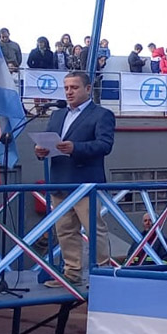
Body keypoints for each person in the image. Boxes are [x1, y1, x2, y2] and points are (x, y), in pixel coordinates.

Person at [34, 72, 115, 286]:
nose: (69, 92)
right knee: (65, 230)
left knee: (94, 229)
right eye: (66, 87)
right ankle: (72, 274)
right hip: (60, 181)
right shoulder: (57, 115)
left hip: (85, 183)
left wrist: (75, 148)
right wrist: (40, 151)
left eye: (74, 87)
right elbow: (48, 140)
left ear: (88, 89)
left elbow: (105, 145)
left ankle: (103, 273)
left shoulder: (101, 114)